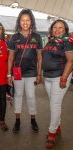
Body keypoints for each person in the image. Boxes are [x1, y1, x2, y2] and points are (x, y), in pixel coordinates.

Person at [7, 9, 43, 133]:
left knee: (31, 96)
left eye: (28, 20)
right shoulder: (14, 38)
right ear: (19, 22)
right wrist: (8, 74)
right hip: (18, 73)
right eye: (23, 20)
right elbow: (10, 57)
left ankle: (33, 119)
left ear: (31, 22)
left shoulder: (37, 37)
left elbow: (39, 56)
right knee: (18, 95)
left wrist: (39, 74)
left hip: (32, 73)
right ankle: (17, 120)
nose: (25, 22)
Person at [41, 19, 73, 148]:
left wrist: (64, 77)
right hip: (48, 77)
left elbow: (71, 61)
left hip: (60, 76)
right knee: (54, 103)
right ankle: (57, 126)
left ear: (65, 30)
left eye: (60, 28)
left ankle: (52, 132)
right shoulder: (51, 41)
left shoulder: (67, 42)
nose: (57, 29)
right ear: (51, 29)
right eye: (55, 27)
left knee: (54, 105)